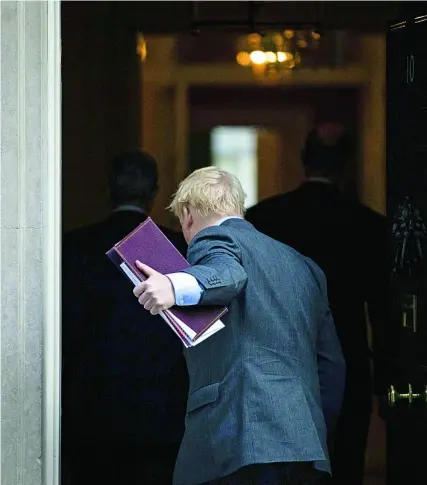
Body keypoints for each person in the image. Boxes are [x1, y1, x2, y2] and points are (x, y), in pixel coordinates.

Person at [132, 167, 346, 485]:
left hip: (239, 443)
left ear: (188, 215)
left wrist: (174, 286)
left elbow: (229, 274)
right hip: (304, 446)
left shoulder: (216, 239)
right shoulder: (305, 266)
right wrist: (311, 432)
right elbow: (332, 366)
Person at [245, 124, 388, 485]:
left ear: (304, 159)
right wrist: (388, 382)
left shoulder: (264, 219)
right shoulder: (368, 226)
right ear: (346, 166)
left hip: (274, 365)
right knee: (343, 466)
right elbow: (384, 311)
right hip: (349, 360)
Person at [62, 150, 188, 485]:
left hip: (92, 413)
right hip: (162, 413)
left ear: (108, 190)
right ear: (154, 193)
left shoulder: (73, 247)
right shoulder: (176, 248)